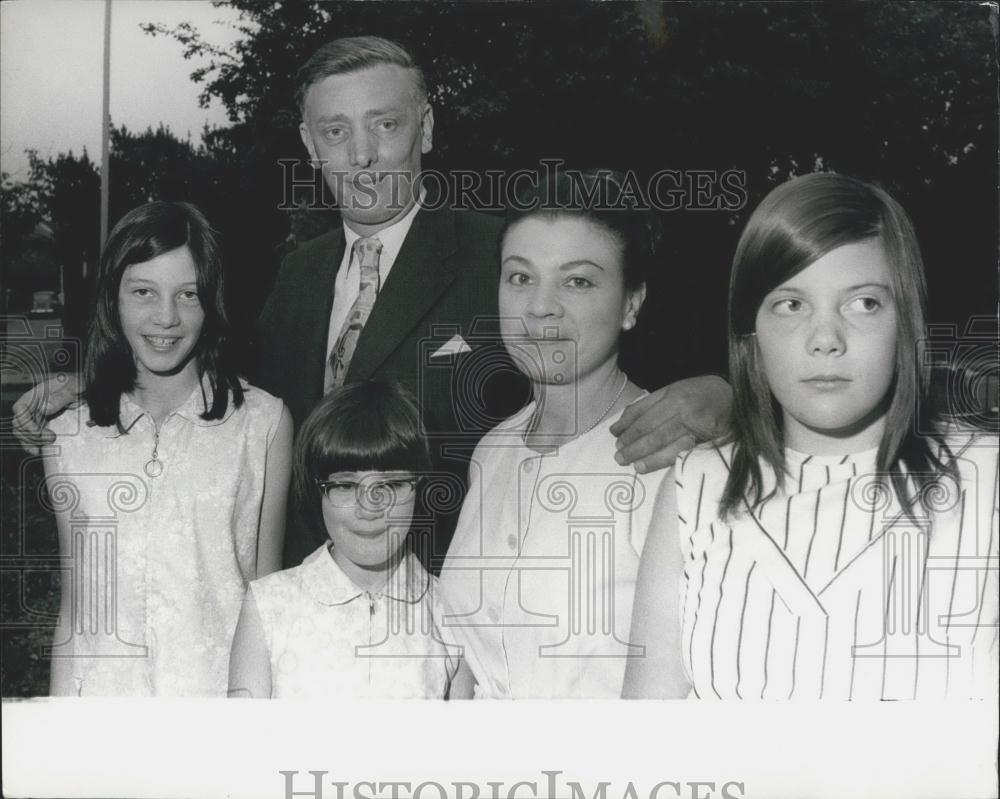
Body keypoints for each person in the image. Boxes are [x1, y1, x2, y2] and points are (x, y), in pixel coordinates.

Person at [15, 36, 732, 572]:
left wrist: (717, 395)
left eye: (384, 125)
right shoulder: (298, 273)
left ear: (424, 127)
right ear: (309, 145)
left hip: (446, 617)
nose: (362, 155)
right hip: (306, 610)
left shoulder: (506, 258)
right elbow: (227, 383)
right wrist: (106, 380)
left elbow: (651, 357)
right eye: (335, 132)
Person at [623, 172, 999, 700]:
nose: (826, 340)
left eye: (864, 303)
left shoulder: (986, 477)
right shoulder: (696, 485)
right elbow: (645, 737)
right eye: (791, 304)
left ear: (907, 319)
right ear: (750, 329)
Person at [438, 170, 674, 698]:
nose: (540, 306)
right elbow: (463, 663)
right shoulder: (491, 451)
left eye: (578, 280)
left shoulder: (670, 454)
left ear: (631, 305)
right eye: (520, 277)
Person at [41, 201, 292, 697]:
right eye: (143, 292)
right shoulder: (68, 437)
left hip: (214, 718)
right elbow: (77, 611)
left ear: (212, 302)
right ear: (112, 300)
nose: (166, 317)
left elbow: (269, 605)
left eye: (188, 295)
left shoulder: (263, 425)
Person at [227, 380, 464, 699]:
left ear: (421, 487)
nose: (369, 507)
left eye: (392, 485)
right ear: (318, 492)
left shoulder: (451, 611)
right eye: (345, 486)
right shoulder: (269, 605)